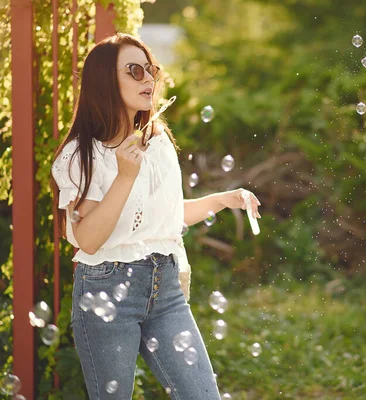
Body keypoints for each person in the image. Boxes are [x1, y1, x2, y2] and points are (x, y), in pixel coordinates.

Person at [50, 33, 261, 399]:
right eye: (134, 70)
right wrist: (125, 177)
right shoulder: (79, 155)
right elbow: (89, 238)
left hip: (165, 288)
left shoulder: (158, 143)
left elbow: (162, 220)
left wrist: (222, 200)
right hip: (106, 288)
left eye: (151, 70)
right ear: (103, 80)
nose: (148, 79)